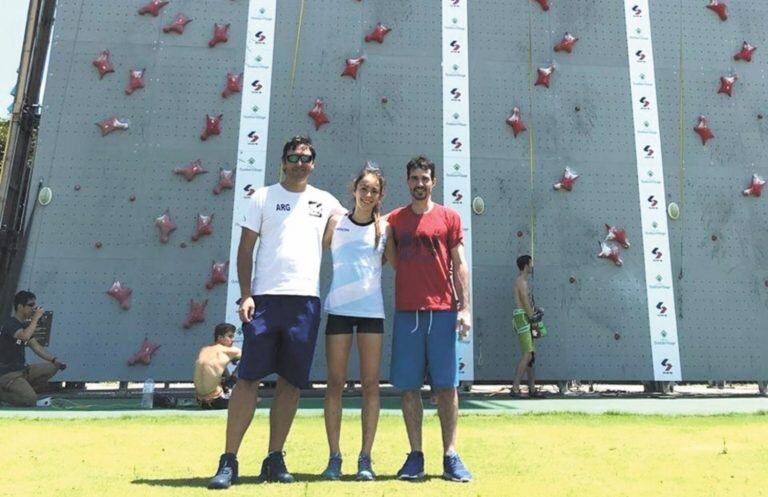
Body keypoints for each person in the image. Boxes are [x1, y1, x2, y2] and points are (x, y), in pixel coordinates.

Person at [208, 136, 343, 489]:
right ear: (283, 162)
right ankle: (229, 460)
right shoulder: (263, 197)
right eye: (294, 157)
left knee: (290, 383)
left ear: (314, 162)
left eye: (307, 157)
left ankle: (274, 457)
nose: (300, 162)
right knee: (248, 379)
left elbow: (352, 222)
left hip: (305, 303)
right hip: (265, 301)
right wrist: (245, 295)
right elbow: (244, 250)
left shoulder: (326, 200)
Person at [387, 156, 473, 482]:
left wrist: (465, 308)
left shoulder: (449, 217)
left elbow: (460, 264)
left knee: (446, 387)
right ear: (407, 182)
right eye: (414, 178)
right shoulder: (395, 219)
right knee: (409, 388)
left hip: (443, 311)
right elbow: (367, 220)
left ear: (433, 182)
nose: (419, 183)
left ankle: (450, 455)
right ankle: (415, 456)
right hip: (407, 312)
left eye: (425, 178)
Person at [319, 165, 391, 481]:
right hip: (338, 310)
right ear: (354, 190)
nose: (367, 194)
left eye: (374, 190)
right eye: (363, 188)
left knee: (370, 385)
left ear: (379, 196)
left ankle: (365, 459)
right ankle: (334, 457)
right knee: (335, 383)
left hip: (372, 313)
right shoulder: (335, 223)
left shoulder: (385, 228)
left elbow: (393, 262)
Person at [0, 291, 66, 407]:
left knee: (52, 367)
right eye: (31, 305)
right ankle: (6, 394)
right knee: (30, 401)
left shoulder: (25, 326)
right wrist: (35, 319)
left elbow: (36, 347)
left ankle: (23, 389)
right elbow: (24, 336)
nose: (34, 308)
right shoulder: (11, 324)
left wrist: (54, 360)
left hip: (22, 370)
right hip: (8, 373)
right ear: (20, 307)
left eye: (34, 305)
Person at [511, 255, 543, 397]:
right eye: (531, 264)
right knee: (527, 354)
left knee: (532, 355)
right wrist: (534, 319)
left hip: (525, 316)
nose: (532, 267)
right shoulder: (521, 282)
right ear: (526, 265)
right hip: (523, 318)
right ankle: (515, 388)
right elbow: (524, 302)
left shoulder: (522, 281)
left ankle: (532, 388)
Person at [193, 323, 241, 409]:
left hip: (200, 402)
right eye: (230, 336)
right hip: (218, 401)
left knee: (217, 365)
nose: (233, 340)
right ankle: (229, 385)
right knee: (253, 400)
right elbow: (251, 358)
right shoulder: (230, 350)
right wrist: (234, 378)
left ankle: (227, 386)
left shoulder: (204, 349)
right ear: (220, 338)